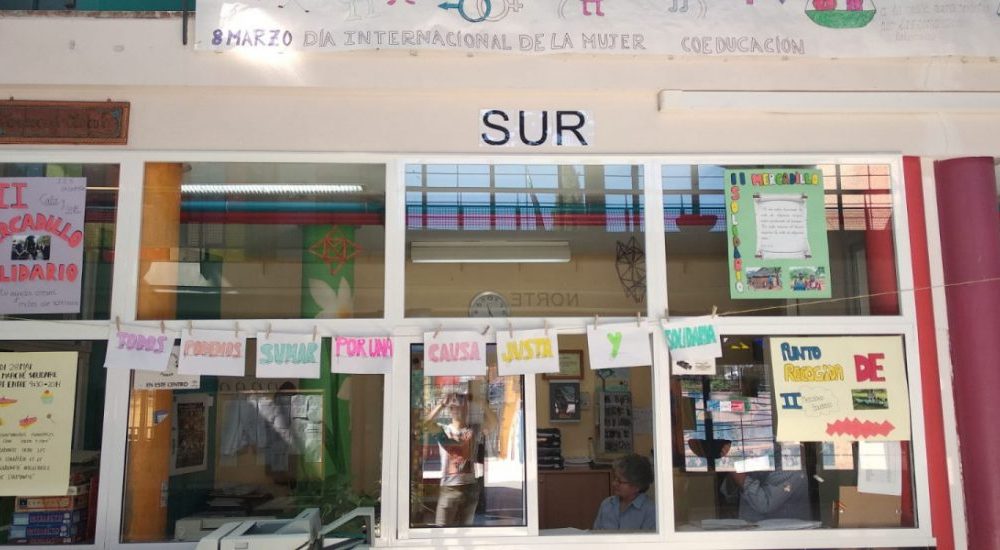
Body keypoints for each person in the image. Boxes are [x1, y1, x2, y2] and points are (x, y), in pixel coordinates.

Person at [423, 389, 495, 526]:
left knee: (465, 533)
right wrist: (441, 404)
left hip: (469, 489)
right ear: (450, 410)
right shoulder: (444, 430)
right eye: (454, 406)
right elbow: (425, 424)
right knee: (442, 532)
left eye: (463, 405)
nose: (459, 409)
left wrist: (481, 402)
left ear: (467, 409)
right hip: (449, 489)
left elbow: (493, 423)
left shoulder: (473, 430)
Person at [592, 453, 656, 531]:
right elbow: (596, 534)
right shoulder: (607, 504)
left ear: (637, 486)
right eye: (615, 479)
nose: (614, 484)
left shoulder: (651, 511)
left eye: (619, 481)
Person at [720, 470, 811, 522]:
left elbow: (764, 504)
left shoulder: (791, 466)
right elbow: (730, 497)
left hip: (782, 540)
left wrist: (739, 476)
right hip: (749, 535)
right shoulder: (753, 460)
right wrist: (733, 469)